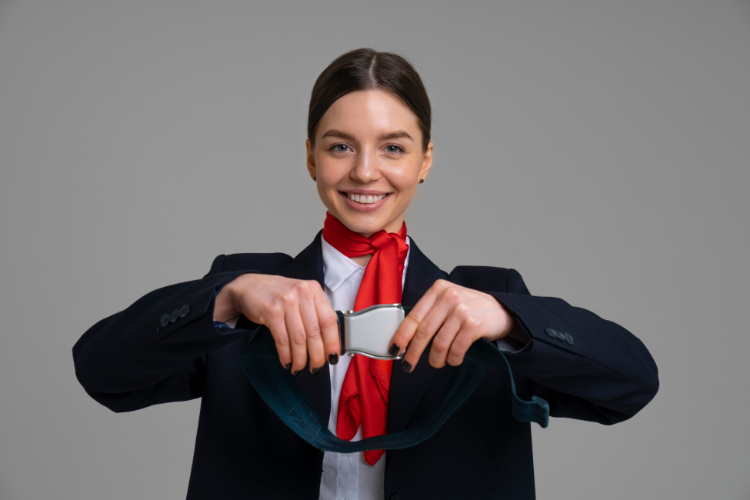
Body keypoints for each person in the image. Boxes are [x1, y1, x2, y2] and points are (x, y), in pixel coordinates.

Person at [72, 48, 659, 500]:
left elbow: (632, 386)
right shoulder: (246, 293)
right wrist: (224, 299)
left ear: (426, 160)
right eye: (340, 146)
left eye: (394, 148)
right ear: (310, 158)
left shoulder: (487, 299)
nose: (365, 171)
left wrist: (510, 320)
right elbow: (103, 374)